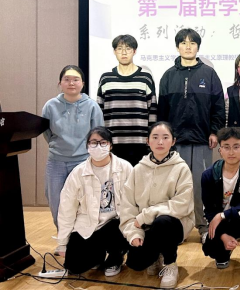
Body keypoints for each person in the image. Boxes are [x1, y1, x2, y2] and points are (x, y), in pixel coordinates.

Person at [158, 28, 225, 238]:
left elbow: (218, 106)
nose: (188, 46)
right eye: (184, 43)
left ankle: (203, 226)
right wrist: (165, 137)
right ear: (177, 46)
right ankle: (178, 228)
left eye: (192, 43)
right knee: (175, 186)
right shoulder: (168, 75)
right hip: (176, 141)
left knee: (201, 185)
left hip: (202, 139)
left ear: (198, 47)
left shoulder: (209, 74)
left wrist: (214, 131)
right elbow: (162, 111)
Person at [120, 121, 194, 289]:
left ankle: (170, 263)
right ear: (148, 141)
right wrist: (134, 233)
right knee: (136, 263)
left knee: (163, 222)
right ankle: (156, 256)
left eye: (165, 137)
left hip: (174, 224)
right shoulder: (138, 169)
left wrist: (146, 215)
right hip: (145, 228)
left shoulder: (181, 168)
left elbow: (181, 205)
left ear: (173, 141)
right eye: (155, 137)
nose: (160, 142)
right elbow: (127, 206)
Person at [57, 127, 132, 277]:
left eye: (103, 142)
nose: (98, 146)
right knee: (74, 267)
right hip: (89, 226)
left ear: (110, 145)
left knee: (118, 229)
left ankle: (115, 258)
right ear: (87, 146)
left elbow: (134, 201)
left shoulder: (125, 167)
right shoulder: (78, 173)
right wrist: (62, 243)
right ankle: (98, 256)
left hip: (115, 224)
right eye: (93, 142)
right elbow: (67, 209)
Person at [42, 65, 104, 230]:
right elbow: (46, 132)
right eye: (67, 79)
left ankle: (80, 236)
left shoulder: (92, 106)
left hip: (83, 161)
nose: (71, 83)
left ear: (82, 83)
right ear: (60, 83)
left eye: (76, 79)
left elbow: (98, 134)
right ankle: (63, 235)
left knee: (84, 202)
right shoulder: (50, 106)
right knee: (55, 200)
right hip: (56, 161)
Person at [201, 127, 240, 280]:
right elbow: (207, 209)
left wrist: (223, 215)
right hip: (223, 222)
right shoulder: (209, 175)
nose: (231, 152)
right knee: (210, 247)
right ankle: (224, 251)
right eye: (226, 147)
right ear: (220, 150)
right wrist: (222, 235)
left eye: (236, 147)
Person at [97, 34, 157, 166]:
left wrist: (151, 139)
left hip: (140, 143)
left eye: (128, 48)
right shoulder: (106, 78)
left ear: (134, 51)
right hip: (113, 143)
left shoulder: (145, 78)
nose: (124, 52)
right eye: (119, 48)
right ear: (114, 51)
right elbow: (100, 112)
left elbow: (152, 111)